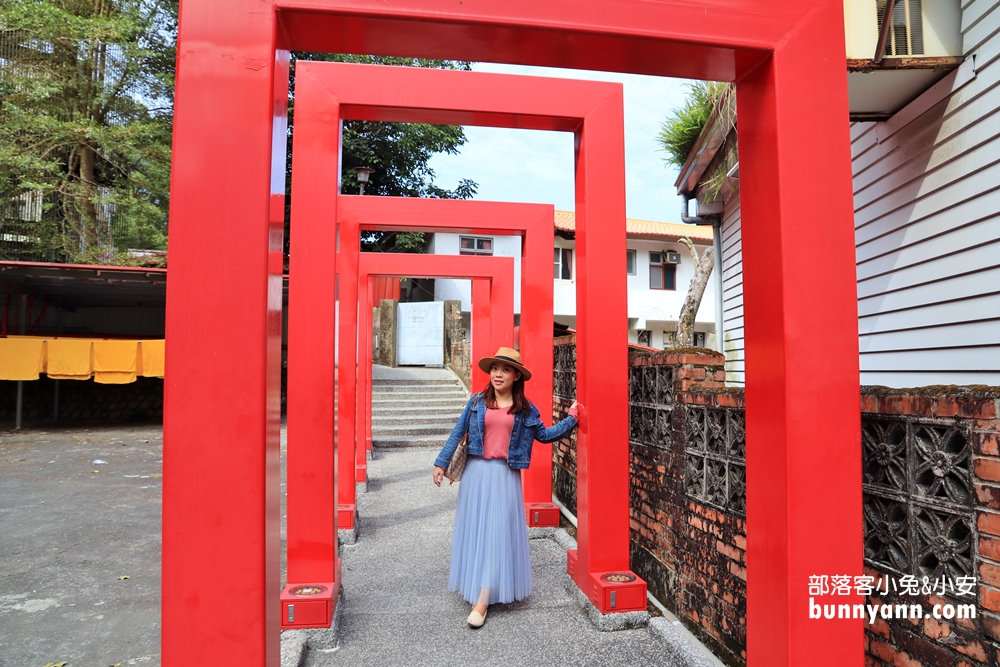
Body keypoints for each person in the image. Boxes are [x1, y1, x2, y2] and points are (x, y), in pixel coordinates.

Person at [433, 347, 579, 628]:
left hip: (504, 478)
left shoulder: (524, 410)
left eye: (505, 370)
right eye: (495, 369)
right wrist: (441, 463)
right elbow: (457, 432)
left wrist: (572, 418)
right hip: (476, 475)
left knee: (495, 533)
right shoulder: (477, 401)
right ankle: (480, 584)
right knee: (478, 531)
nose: (498, 374)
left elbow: (546, 436)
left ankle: (483, 600)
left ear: (516, 376)